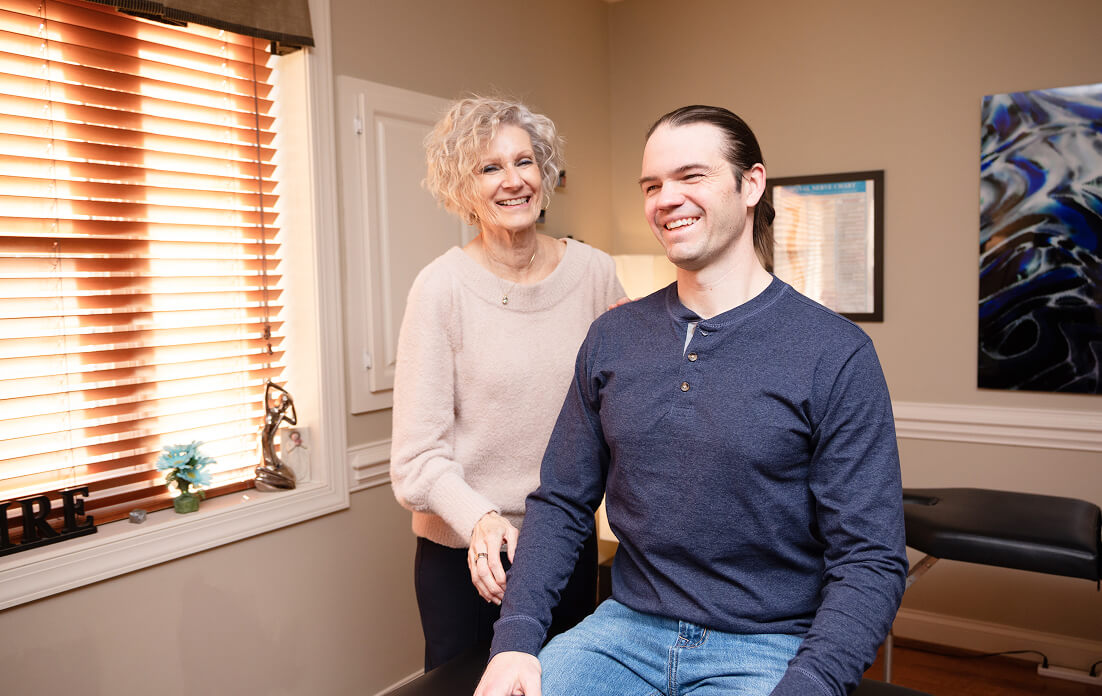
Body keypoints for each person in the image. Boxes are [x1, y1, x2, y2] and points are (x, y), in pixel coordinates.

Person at [475, 105, 907, 696]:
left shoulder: (835, 353)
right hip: (622, 634)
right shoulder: (613, 337)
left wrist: (812, 681)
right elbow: (561, 502)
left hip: (768, 647)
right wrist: (516, 642)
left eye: (691, 177)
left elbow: (870, 559)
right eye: (652, 185)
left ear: (751, 184)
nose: (665, 199)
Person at [389, 96, 626, 672]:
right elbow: (416, 461)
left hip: (563, 544)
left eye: (525, 162)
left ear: (544, 173)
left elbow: (626, 402)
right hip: (471, 559)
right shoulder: (441, 288)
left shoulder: (593, 273)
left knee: (565, 685)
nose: (512, 181)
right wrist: (482, 521)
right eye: (489, 167)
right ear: (461, 189)